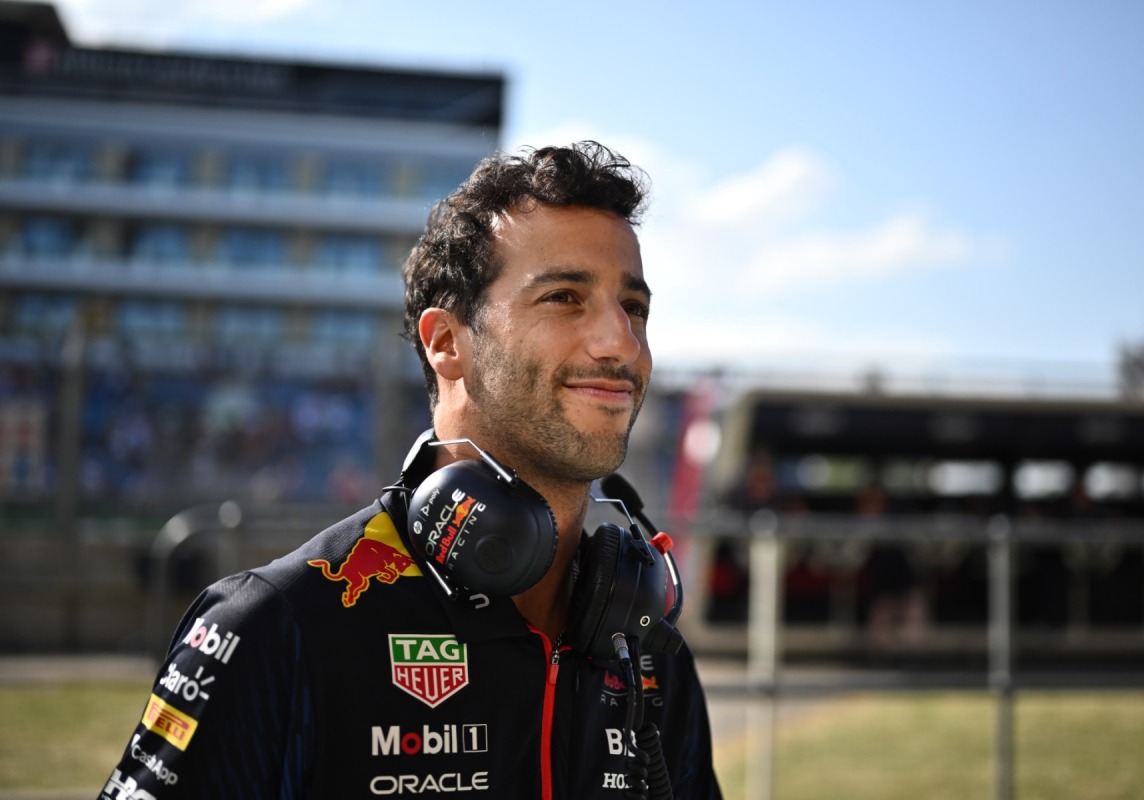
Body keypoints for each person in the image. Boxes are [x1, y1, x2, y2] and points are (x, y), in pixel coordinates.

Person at [100, 141, 723, 799]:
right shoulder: (273, 628)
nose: (621, 342)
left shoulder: (642, 649)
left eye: (634, 308)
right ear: (446, 343)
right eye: (565, 297)